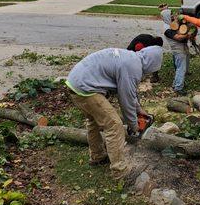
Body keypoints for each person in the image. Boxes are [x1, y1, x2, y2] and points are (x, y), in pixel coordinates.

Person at [65, 45, 163, 181]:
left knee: (94, 121)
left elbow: (129, 92)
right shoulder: (133, 67)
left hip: (75, 83)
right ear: (152, 64)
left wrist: (139, 109)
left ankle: (97, 155)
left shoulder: (131, 58)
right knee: (114, 125)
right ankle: (120, 170)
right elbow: (126, 99)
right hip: (86, 88)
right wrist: (134, 125)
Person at [161, 8, 190, 95]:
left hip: (181, 49)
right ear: (166, 17)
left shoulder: (171, 25)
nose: (172, 16)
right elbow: (178, 37)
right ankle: (178, 87)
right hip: (178, 50)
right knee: (181, 68)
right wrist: (188, 35)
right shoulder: (167, 29)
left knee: (179, 68)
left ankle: (175, 84)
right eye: (170, 15)